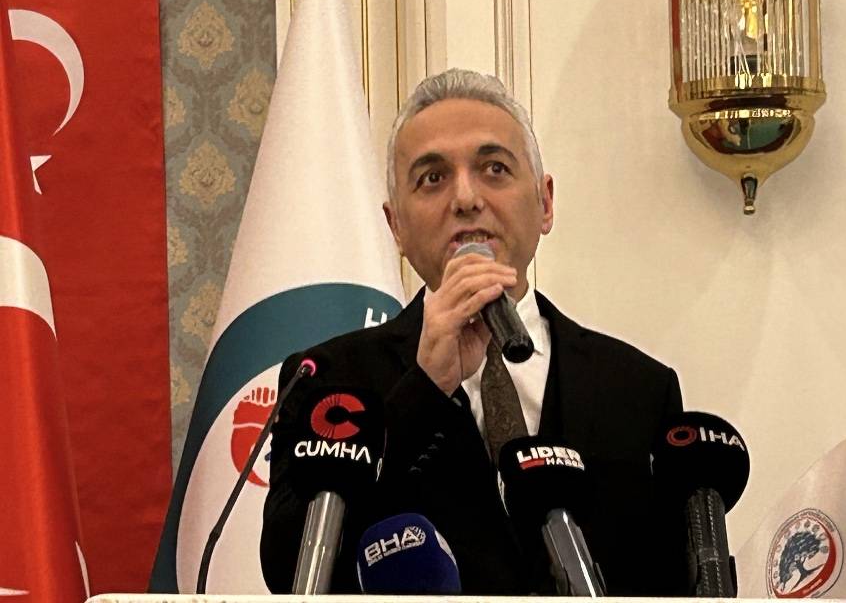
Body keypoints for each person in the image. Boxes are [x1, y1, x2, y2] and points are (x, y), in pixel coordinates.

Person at [261, 68, 688, 595]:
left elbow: (680, 584)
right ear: (396, 227)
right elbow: (290, 570)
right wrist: (423, 389)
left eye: (494, 169)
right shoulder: (327, 381)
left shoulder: (639, 388)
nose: (465, 198)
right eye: (432, 178)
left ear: (545, 203)